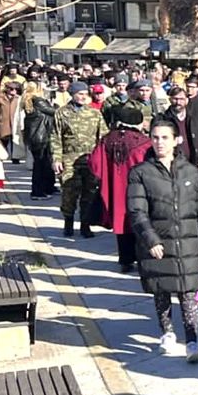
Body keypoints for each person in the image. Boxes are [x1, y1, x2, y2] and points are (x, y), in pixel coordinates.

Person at [127, 119, 198, 363]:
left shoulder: (192, 173)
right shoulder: (140, 173)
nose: (159, 142)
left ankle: (192, 342)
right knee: (161, 291)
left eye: (165, 137)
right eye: (155, 137)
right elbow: (137, 212)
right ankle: (167, 333)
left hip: (188, 243)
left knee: (189, 294)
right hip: (158, 244)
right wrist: (150, 239)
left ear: (176, 140)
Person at [88, 107, 151, 273]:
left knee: (122, 224)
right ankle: (143, 259)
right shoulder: (144, 142)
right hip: (139, 189)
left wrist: (107, 176)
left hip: (116, 190)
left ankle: (125, 260)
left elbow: (94, 164)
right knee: (142, 222)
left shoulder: (107, 140)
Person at [51, 81, 106, 238]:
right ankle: (68, 222)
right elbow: (55, 137)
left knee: (89, 193)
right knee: (69, 193)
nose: (83, 97)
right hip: (69, 158)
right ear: (72, 94)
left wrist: (102, 159)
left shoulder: (94, 113)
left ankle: (85, 225)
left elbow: (103, 136)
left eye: (85, 94)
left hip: (90, 159)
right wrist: (56, 159)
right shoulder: (61, 113)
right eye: (80, 94)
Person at [22, 87, 57, 199]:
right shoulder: (38, 101)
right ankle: (37, 192)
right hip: (41, 138)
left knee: (42, 165)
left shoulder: (29, 102)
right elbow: (54, 112)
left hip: (35, 138)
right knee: (40, 166)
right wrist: (54, 105)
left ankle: (46, 188)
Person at [163, 85, 198, 167]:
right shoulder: (163, 119)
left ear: (187, 100)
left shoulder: (195, 119)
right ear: (170, 99)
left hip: (194, 164)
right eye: (175, 99)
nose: (178, 102)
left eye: (181, 99)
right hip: (173, 165)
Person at [0, 81, 22, 162]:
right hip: (4, 123)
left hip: (15, 123)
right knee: (3, 140)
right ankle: (1, 156)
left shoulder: (18, 98)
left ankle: (15, 158)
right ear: (7, 89)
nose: (14, 90)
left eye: (15, 89)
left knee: (15, 140)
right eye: (11, 89)